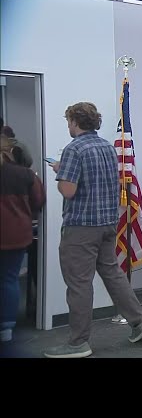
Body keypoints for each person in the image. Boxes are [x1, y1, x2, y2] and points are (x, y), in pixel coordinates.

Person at [44, 102, 142, 358]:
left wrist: (61, 174)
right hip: (107, 225)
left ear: (75, 121)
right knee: (114, 275)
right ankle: (139, 322)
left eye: (68, 121)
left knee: (79, 284)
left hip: (81, 228)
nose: (68, 125)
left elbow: (69, 191)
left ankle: (78, 343)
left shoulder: (74, 148)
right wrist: (66, 169)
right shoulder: (106, 146)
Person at [0, 136, 45, 349]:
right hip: (16, 236)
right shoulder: (26, 174)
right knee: (9, 279)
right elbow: (39, 201)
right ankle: (6, 329)